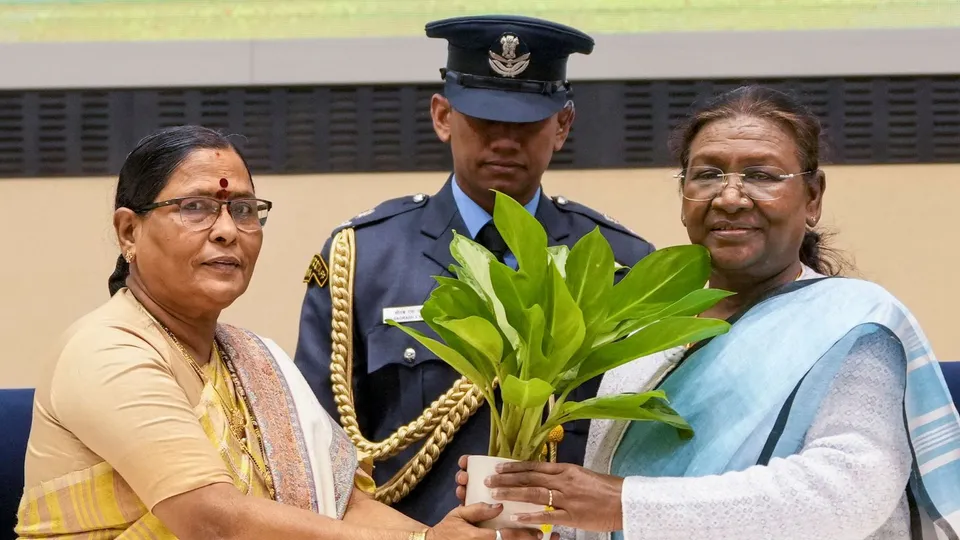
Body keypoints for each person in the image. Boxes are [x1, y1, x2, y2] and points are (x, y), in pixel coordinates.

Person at [456, 86, 960, 539]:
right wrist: (536, 518)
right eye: (708, 174)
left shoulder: (855, 322)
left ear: (813, 198)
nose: (731, 197)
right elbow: (609, 510)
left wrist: (623, 503)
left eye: (762, 175)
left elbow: (846, 494)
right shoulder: (646, 322)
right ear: (683, 195)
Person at [14, 125, 546, 540]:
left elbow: (344, 504)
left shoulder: (252, 356)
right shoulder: (107, 350)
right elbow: (212, 522)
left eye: (243, 210)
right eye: (195, 207)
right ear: (129, 231)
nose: (226, 230)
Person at [293, 15, 655, 526]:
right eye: (484, 120)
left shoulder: (618, 263)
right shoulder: (365, 259)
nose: (505, 141)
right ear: (443, 117)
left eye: (527, 122)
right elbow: (318, 448)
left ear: (563, 126)